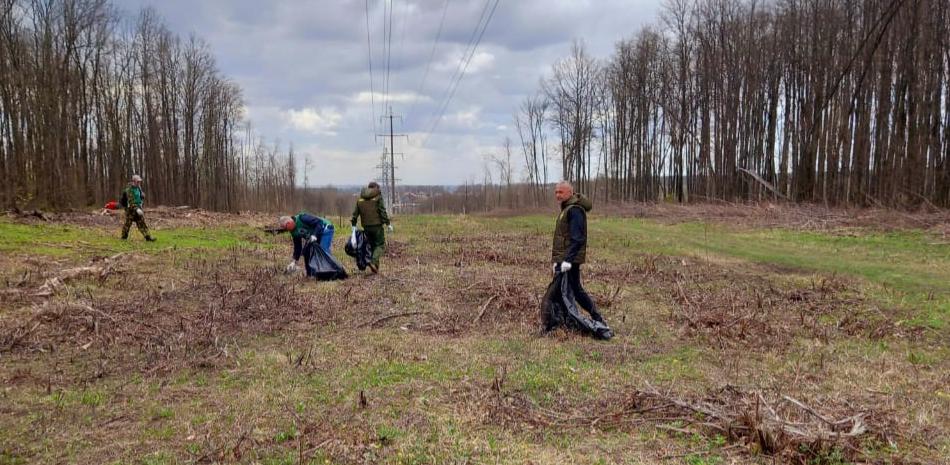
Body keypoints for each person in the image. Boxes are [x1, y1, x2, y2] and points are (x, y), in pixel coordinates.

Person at [551, 181, 605, 323]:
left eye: (561, 192)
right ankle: (561, 319)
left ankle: (597, 318)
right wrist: (557, 261)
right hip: (563, 259)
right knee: (559, 289)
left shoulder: (575, 210)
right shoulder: (566, 208)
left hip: (570, 259)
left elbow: (577, 238)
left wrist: (568, 260)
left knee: (576, 290)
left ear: (570, 193)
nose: (557, 195)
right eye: (556, 192)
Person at [350, 181, 392, 273]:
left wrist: (353, 225)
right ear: (375, 188)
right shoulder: (378, 197)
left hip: (366, 227)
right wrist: (388, 223)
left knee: (372, 246)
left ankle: (376, 267)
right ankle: (373, 262)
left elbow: (355, 214)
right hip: (377, 227)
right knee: (380, 245)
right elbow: (382, 211)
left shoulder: (360, 199)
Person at [120, 174, 155, 242]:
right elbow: (130, 201)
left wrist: (142, 196)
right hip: (131, 210)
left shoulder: (138, 188)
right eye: (137, 181)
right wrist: (136, 209)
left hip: (138, 208)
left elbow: (140, 197)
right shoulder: (129, 190)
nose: (139, 183)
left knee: (142, 223)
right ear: (133, 181)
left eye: (139, 181)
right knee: (128, 224)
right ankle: (123, 237)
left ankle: (148, 237)